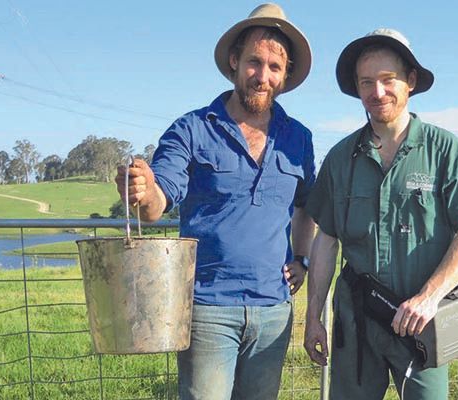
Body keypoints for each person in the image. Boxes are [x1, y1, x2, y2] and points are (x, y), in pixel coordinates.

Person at [115, 4, 315, 399]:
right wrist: (142, 190)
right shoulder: (191, 129)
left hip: (274, 310)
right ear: (234, 61)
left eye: (275, 67)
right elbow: (157, 203)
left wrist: (303, 260)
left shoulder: (299, 139)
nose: (263, 75)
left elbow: (306, 205)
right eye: (254, 62)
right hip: (207, 309)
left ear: (285, 75)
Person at [303, 28, 458, 400]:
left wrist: (429, 296)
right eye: (366, 82)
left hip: (422, 324)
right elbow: (326, 240)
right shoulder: (340, 158)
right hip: (357, 323)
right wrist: (314, 315)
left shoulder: (445, 150)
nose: (377, 92)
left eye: (387, 79)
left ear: (410, 81)